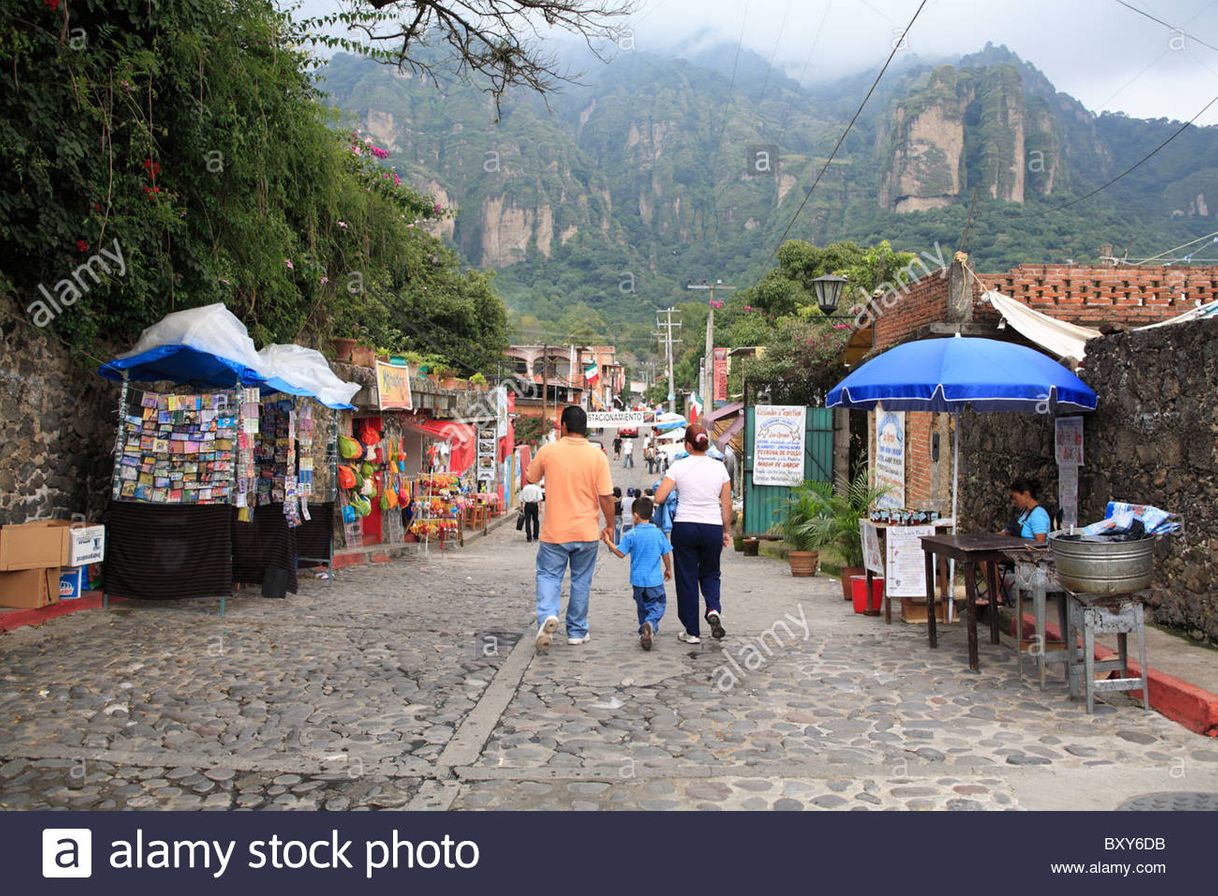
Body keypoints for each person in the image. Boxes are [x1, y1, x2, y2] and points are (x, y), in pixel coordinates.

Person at [525, 405, 615, 651]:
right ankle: (576, 631)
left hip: (555, 532)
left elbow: (531, 478)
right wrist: (610, 525)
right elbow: (606, 496)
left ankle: (548, 617)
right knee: (581, 581)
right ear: (585, 429)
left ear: (563, 426)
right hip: (586, 533)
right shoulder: (598, 456)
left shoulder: (548, 451)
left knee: (548, 576)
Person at [654, 423, 731, 644]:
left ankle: (692, 631)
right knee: (711, 572)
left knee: (687, 578)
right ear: (706, 444)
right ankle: (713, 608)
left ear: (688, 445)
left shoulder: (678, 467)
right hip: (712, 527)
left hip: (685, 527)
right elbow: (726, 505)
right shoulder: (720, 469)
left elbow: (659, 497)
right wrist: (725, 531)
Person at [604, 496, 672, 651]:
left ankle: (645, 630)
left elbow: (620, 553)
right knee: (658, 605)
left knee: (642, 607)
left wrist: (608, 541)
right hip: (654, 580)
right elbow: (666, 553)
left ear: (635, 515)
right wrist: (668, 569)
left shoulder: (631, 535)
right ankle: (650, 624)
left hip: (637, 581)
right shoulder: (658, 533)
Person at [1001, 477, 1051, 544]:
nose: (1014, 502)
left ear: (1026, 495)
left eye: (1015, 498)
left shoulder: (1038, 515)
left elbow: (1040, 544)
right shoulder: (1024, 512)